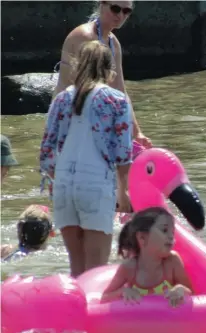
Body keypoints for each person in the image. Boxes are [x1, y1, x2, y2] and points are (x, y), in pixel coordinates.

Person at [40, 40, 133, 277]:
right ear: (108, 69)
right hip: (95, 185)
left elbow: (46, 153)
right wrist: (123, 193)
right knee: (96, 272)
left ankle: (71, 313)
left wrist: (59, 179)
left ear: (78, 65)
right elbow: (123, 153)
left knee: (76, 270)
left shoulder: (60, 100)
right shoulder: (116, 100)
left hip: (63, 185)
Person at [52, 0, 151, 149]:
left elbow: (120, 91)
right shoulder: (84, 36)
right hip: (68, 116)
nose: (120, 15)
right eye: (116, 9)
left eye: (126, 11)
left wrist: (137, 133)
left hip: (93, 119)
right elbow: (83, 86)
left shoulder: (114, 43)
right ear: (101, 4)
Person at [101, 207, 193, 307]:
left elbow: (192, 292)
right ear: (142, 238)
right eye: (165, 230)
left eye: (172, 232)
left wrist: (181, 289)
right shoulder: (129, 268)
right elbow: (104, 298)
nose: (171, 236)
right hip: (139, 321)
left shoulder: (172, 262)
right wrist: (123, 291)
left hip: (167, 320)